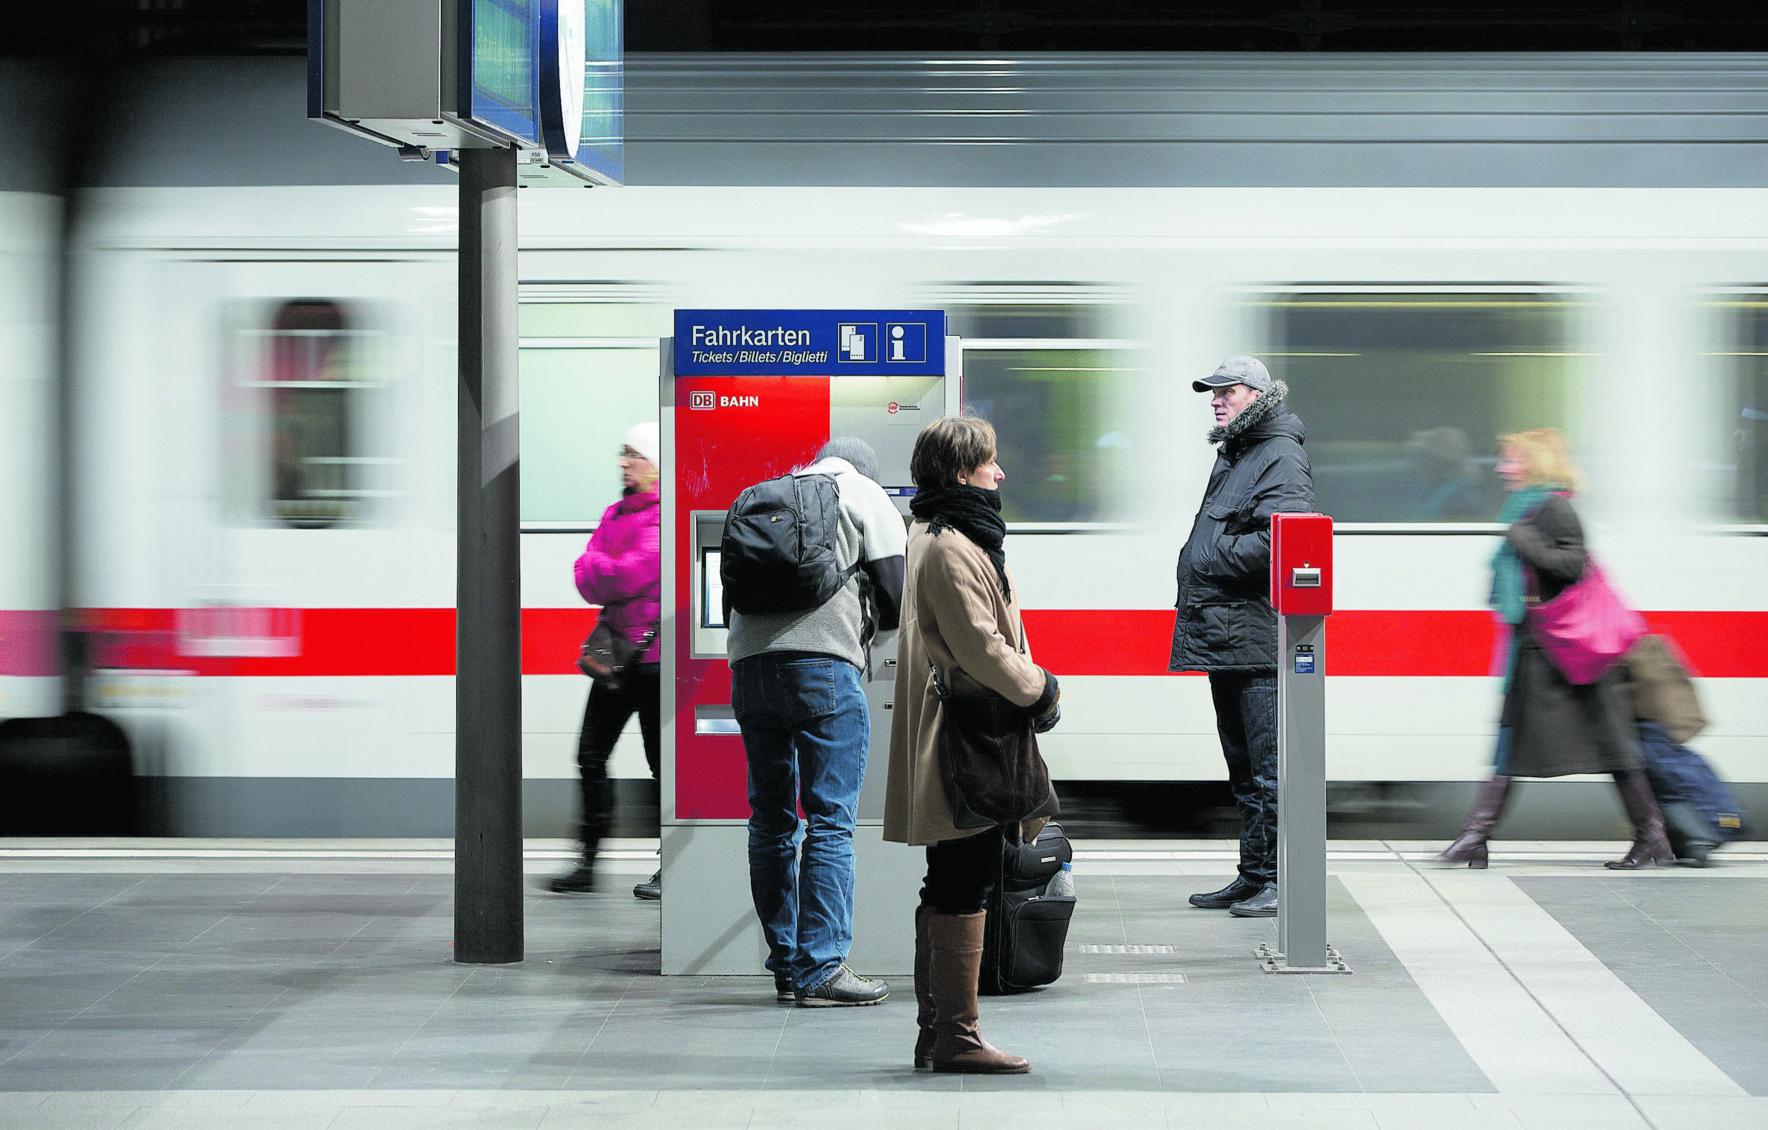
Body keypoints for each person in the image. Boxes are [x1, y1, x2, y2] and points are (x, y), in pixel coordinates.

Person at [884, 415, 1060, 1075]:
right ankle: (956, 1035)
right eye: (990, 461)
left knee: (950, 881)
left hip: (960, 734)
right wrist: (1039, 688)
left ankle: (939, 1032)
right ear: (961, 471)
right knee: (965, 881)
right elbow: (982, 646)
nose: (1001, 473)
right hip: (966, 743)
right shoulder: (951, 544)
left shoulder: (942, 534)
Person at [1440, 429, 1672, 870]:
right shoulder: (1526, 507)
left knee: (1612, 746)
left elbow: (1572, 563)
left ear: (1536, 464)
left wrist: (1524, 540)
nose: (1501, 468)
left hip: (1567, 652)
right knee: (1514, 738)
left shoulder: (1554, 506)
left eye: (1512, 460)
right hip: (1538, 649)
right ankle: (1476, 834)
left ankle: (1651, 834)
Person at [728, 437, 906, 1006]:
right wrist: (870, 643)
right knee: (830, 818)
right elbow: (897, 596)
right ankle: (821, 965)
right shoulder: (865, 494)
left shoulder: (763, 495)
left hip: (749, 670)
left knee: (771, 820)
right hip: (824, 668)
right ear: (865, 468)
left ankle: (785, 962)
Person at [1171, 356, 1315, 918]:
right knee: (1243, 767)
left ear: (1256, 395)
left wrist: (1207, 557)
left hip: (1254, 634)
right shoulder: (1239, 453)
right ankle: (1254, 875)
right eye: (1211, 393)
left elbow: (1286, 541)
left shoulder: (1280, 455)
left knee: (1269, 767)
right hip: (1225, 632)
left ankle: (1281, 879)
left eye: (1225, 392)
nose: (1214, 400)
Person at [547, 423, 664, 899]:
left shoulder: (664, 515)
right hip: (616, 656)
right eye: (623, 453)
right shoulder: (614, 513)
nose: (623, 462)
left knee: (663, 768)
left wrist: (605, 567)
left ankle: (669, 867)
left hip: (654, 660)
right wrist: (607, 569)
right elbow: (587, 575)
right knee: (589, 756)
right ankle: (587, 863)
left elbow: (634, 572)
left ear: (656, 464)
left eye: (633, 455)